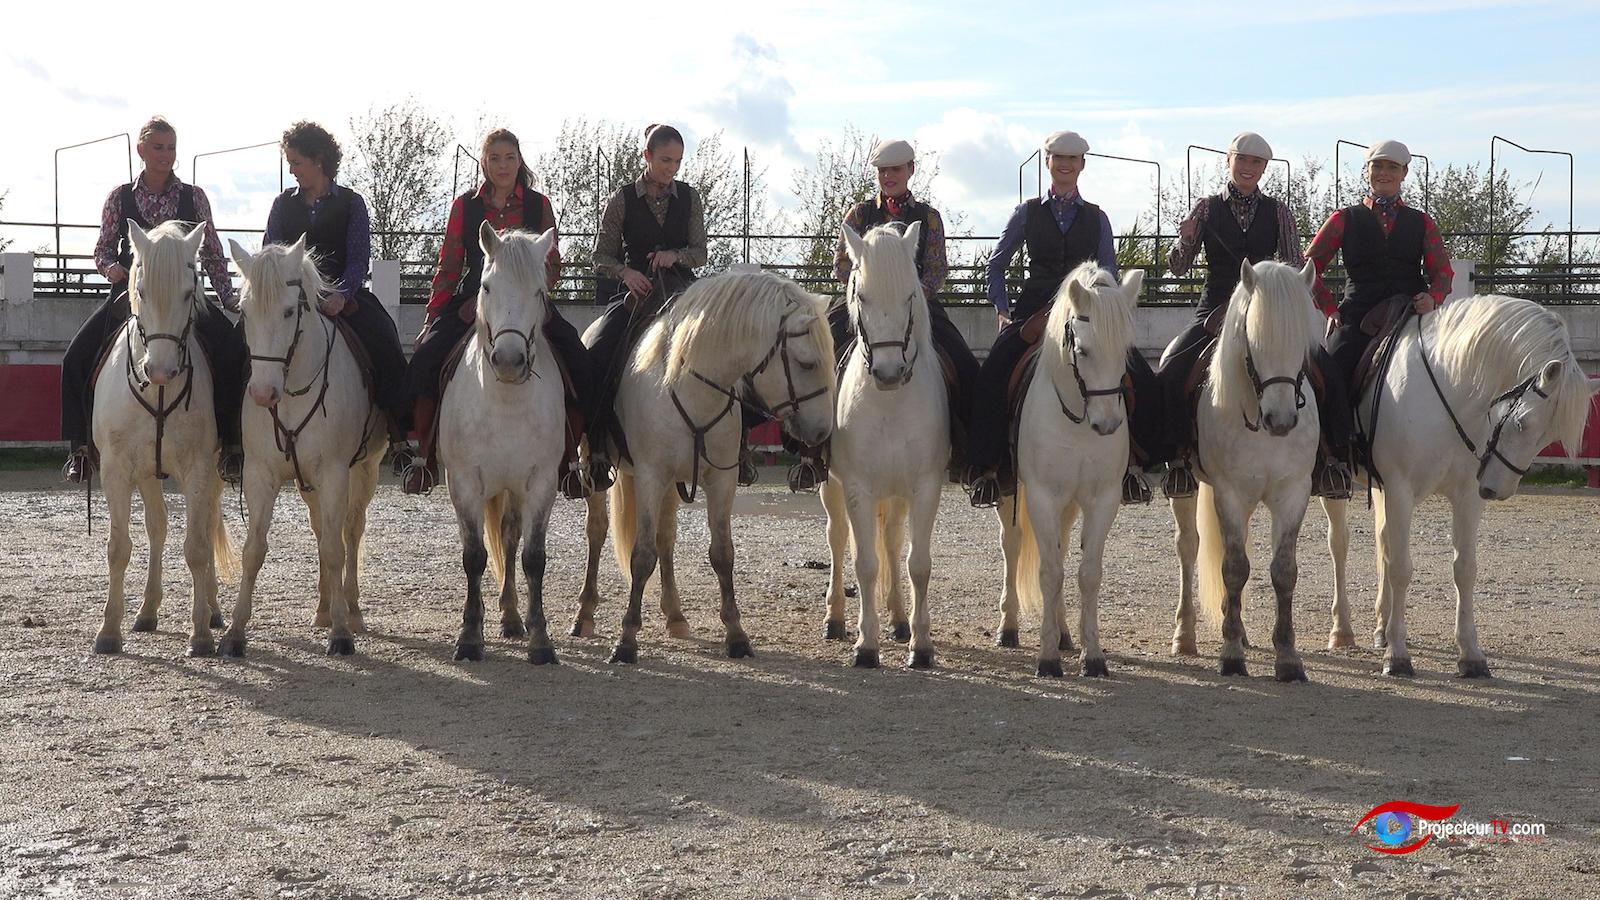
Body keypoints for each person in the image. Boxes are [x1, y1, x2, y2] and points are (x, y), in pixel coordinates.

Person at [965, 130, 1160, 507]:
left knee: (1141, 378)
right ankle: (987, 470)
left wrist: (1110, 314)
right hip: (1036, 311)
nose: (1066, 164)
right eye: (1058, 158)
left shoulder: (1098, 218)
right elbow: (997, 264)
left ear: (1082, 165)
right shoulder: (1027, 213)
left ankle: (1136, 466)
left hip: (1087, 313)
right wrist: (1003, 311)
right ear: (1048, 162)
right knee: (992, 375)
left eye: (1073, 159)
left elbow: (1109, 270)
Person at [401, 129, 598, 496]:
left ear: (519, 160)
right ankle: (422, 458)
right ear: (484, 162)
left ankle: (572, 463)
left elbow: (551, 261)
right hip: (476, 299)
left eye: (509, 158)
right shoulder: (465, 206)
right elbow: (449, 264)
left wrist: (533, 291)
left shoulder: (540, 205)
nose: (502, 165)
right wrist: (433, 317)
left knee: (581, 365)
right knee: (425, 361)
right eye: (494, 158)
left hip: (528, 302)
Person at [1160, 132, 1353, 499]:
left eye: (1257, 162)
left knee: (1328, 371)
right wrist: (1183, 242)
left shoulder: (1279, 211)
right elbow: (1179, 269)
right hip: (1216, 307)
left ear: (1264, 168)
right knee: (1172, 368)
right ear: (1228, 161)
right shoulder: (1204, 208)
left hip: (1269, 308)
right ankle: (1179, 459)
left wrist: (1295, 294)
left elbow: (1296, 263)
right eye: (1242, 160)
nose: (1248, 168)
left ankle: (1332, 459)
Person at [60, 115, 247, 485]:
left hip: (184, 300)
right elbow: (102, 249)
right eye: (159, 148)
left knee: (233, 353)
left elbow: (210, 252)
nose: (166, 155)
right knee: (75, 358)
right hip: (134, 297)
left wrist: (226, 296)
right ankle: (80, 448)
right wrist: (112, 268)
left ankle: (231, 445)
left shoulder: (194, 198)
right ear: (142, 150)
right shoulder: (119, 197)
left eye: (172, 148)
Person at [786, 139, 980, 490]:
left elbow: (937, 267)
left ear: (911, 170)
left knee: (963, 362)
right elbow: (842, 263)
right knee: (818, 353)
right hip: (865, 305)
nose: (888, 176)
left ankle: (967, 454)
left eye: (896, 169)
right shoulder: (858, 215)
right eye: (882, 170)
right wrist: (865, 290)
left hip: (914, 306)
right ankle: (810, 453)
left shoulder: (929, 217)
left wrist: (919, 292)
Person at [587, 124, 738, 488]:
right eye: (666, 160)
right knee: (596, 353)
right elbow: (599, 255)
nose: (672, 168)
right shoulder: (621, 199)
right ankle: (595, 450)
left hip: (684, 292)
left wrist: (676, 255)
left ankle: (738, 449)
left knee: (732, 347)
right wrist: (625, 273)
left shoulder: (690, 197)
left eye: (678, 161)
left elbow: (700, 253)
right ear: (647, 156)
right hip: (636, 295)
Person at [262, 121, 413, 473]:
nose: (291, 170)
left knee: (386, 343)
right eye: (290, 162)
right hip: (291, 300)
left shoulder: (351, 203)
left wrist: (342, 295)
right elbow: (271, 253)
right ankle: (237, 440)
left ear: (319, 159)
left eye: (297, 162)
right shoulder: (283, 205)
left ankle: (400, 434)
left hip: (342, 298)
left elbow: (359, 257)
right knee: (246, 345)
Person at [1305, 139, 1453, 475]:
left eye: (1391, 167)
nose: (1384, 173)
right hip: (1358, 313)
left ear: (1404, 173)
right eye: (1378, 166)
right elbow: (1310, 267)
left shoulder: (1423, 222)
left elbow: (1442, 272)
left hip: (1411, 311)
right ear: (1368, 170)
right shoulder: (1343, 219)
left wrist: (1433, 297)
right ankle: (1333, 454)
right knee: (1327, 370)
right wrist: (1330, 310)